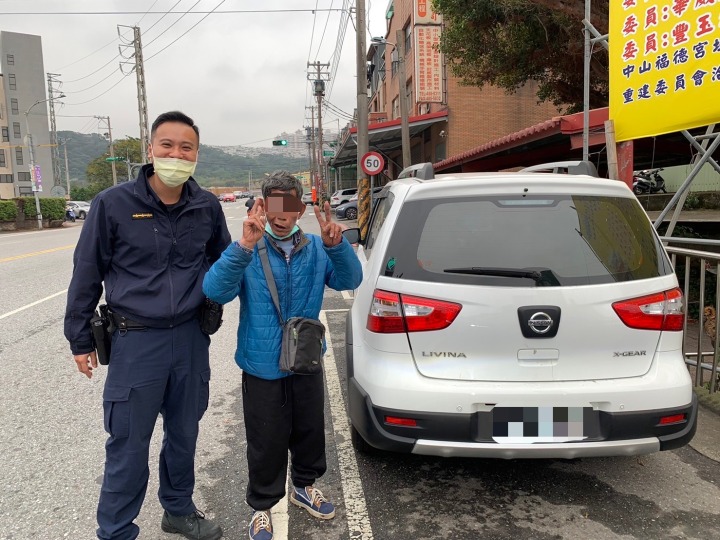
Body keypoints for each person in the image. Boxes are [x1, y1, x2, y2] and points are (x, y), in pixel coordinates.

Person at [64, 111, 231, 540]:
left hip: (190, 338)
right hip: (135, 341)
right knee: (128, 442)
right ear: (151, 149)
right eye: (167, 145)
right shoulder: (113, 203)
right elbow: (87, 272)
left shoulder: (207, 206)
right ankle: (117, 530)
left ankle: (178, 509)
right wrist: (79, 339)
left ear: (196, 154)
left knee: (184, 434)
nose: (177, 154)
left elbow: (224, 262)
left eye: (186, 147)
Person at [202, 171, 362, 540]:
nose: (281, 214)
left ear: (300, 208)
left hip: (305, 358)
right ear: (263, 206)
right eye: (274, 204)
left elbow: (350, 280)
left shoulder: (317, 247)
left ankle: (304, 487)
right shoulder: (249, 247)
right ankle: (261, 506)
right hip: (261, 364)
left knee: (309, 430)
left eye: (289, 204)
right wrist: (243, 245)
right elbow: (215, 290)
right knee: (265, 439)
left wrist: (337, 246)